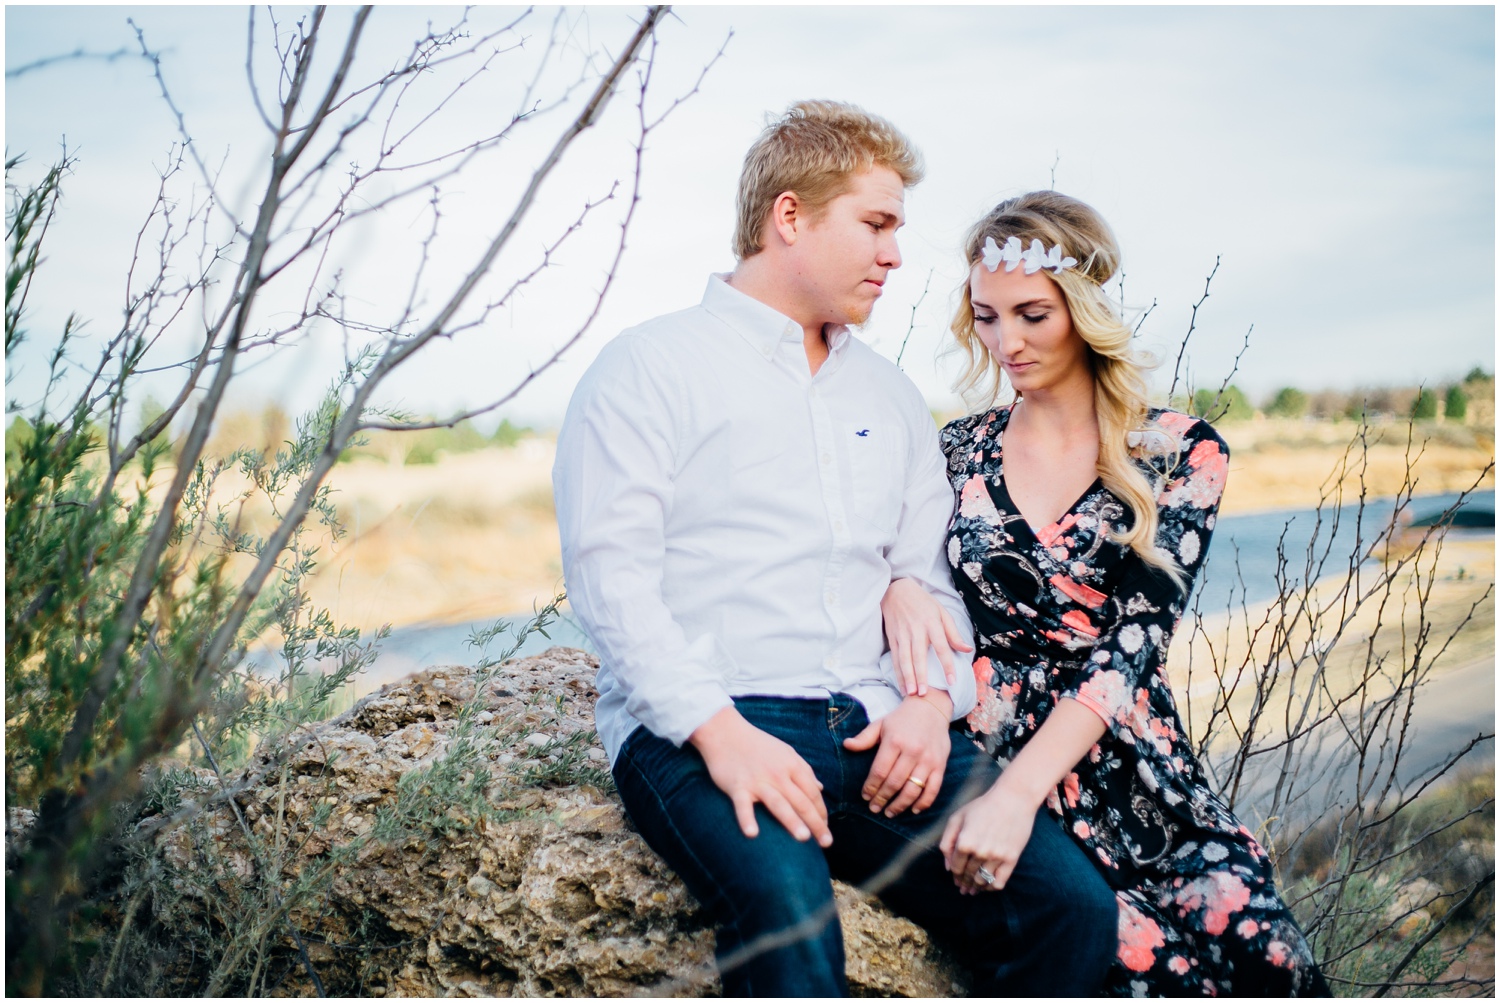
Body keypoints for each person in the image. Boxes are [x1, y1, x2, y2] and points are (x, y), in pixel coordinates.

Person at [553, 104, 1117, 996]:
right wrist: (721, 734)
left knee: (1072, 910)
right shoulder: (647, 370)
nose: (896, 254)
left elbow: (930, 582)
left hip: (875, 728)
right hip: (706, 727)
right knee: (795, 924)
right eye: (877, 223)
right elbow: (609, 581)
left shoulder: (889, 397)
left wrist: (931, 705)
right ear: (790, 217)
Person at [882, 190, 1330, 995]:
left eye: (1031, 314)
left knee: (1272, 963)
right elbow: (881, 555)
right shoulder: (955, 452)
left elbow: (1132, 649)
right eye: (986, 317)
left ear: (1083, 309)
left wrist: (1020, 794)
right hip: (991, 749)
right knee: (1147, 971)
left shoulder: (1178, 450)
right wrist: (900, 591)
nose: (1006, 341)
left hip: (1130, 753)